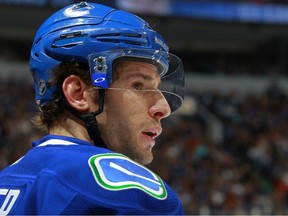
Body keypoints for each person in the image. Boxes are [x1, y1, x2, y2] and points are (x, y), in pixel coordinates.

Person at [0, 2, 185, 215]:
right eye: (138, 85)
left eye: (157, 88)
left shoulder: (7, 179)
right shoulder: (132, 196)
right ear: (79, 93)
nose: (163, 108)